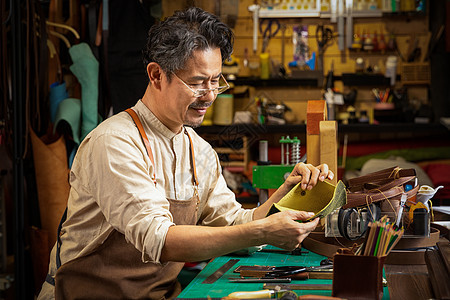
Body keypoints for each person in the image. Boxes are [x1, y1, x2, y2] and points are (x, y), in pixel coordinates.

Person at [38, 7, 333, 299]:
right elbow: (160, 240)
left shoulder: (198, 150)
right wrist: (263, 232)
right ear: (156, 75)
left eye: (216, 81)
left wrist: (284, 194)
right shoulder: (115, 142)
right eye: (196, 83)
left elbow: (232, 224)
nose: (209, 96)